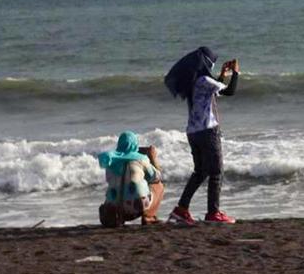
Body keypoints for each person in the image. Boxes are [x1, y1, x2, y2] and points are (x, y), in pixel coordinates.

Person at [163, 45, 239, 225]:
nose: (212, 66)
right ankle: (213, 212)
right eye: (212, 63)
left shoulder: (195, 81)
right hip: (207, 131)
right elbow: (230, 91)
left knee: (201, 172)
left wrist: (223, 74)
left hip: (193, 132)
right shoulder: (204, 80)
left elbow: (215, 90)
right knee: (216, 171)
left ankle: (181, 209)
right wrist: (236, 73)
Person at [97, 131, 164, 226]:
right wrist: (153, 158)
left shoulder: (110, 161)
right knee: (159, 186)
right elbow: (157, 177)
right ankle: (148, 217)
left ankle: (119, 218)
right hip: (136, 208)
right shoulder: (141, 158)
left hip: (115, 210)